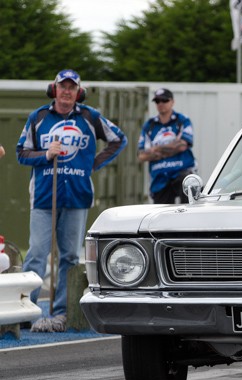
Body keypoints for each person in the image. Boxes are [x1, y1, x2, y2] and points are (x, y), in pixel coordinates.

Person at [17, 69, 127, 332]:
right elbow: (21, 153)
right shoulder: (38, 117)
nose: (67, 91)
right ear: (54, 89)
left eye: (72, 87)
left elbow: (118, 139)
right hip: (44, 195)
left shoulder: (90, 117)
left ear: (79, 92)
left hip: (77, 195)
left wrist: (93, 164)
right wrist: (46, 154)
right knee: (36, 254)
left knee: (69, 256)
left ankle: (62, 311)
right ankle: (26, 310)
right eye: (62, 86)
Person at [138, 88, 196, 204]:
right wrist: (172, 147)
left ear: (172, 102)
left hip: (181, 171)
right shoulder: (149, 125)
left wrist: (156, 149)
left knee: (189, 203)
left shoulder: (182, 120)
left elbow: (182, 146)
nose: (161, 104)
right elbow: (142, 155)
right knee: (161, 213)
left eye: (164, 100)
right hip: (159, 177)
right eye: (157, 101)